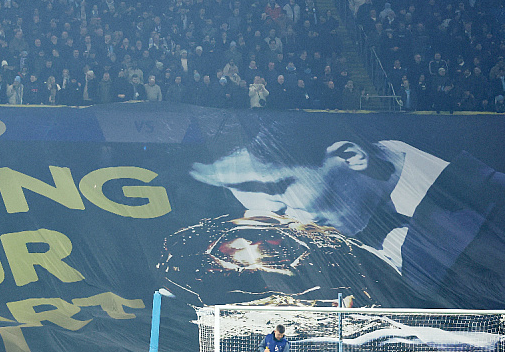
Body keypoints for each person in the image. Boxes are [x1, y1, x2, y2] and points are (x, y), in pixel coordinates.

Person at [188, 125, 505, 309]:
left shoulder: (490, 202)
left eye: (281, 189)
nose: (284, 219)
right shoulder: (359, 260)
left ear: (351, 157)